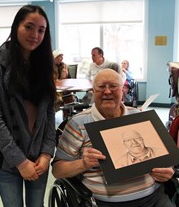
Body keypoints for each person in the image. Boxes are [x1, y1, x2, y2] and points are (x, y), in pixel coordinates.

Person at [52, 69, 175, 207]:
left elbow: (164, 157)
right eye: (101, 86)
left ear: (123, 90)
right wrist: (83, 163)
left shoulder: (139, 118)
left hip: (152, 198)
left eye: (113, 86)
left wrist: (167, 170)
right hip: (103, 203)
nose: (107, 91)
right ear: (93, 90)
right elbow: (57, 170)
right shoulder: (78, 123)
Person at [0, 5, 56, 207]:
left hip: (38, 160)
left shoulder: (44, 65)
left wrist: (46, 153)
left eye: (41, 30)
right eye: (29, 27)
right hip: (7, 161)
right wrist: (21, 162)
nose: (35, 35)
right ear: (16, 27)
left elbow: (50, 113)